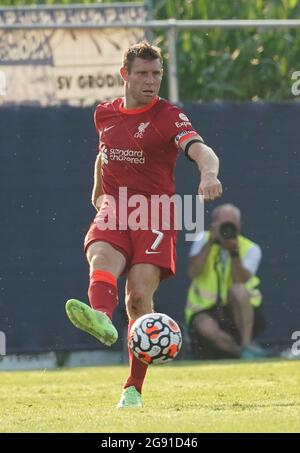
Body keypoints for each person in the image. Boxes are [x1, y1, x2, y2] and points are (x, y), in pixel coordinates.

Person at [65, 41, 222, 408]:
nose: (151, 81)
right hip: (117, 209)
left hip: (155, 217)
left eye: (157, 74)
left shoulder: (169, 116)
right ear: (125, 75)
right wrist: (98, 194)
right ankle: (102, 318)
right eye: (143, 74)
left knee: (137, 299)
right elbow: (104, 155)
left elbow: (201, 150)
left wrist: (208, 175)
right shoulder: (104, 114)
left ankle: (133, 387)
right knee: (100, 254)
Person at [185, 203, 267, 360]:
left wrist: (234, 252)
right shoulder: (203, 240)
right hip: (206, 310)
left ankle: (246, 344)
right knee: (205, 327)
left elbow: (240, 280)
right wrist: (210, 243)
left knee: (238, 290)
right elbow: (192, 272)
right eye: (221, 223)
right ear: (213, 224)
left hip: (239, 311)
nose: (225, 228)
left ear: (239, 226)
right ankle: (244, 354)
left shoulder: (251, 248)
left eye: (230, 224)